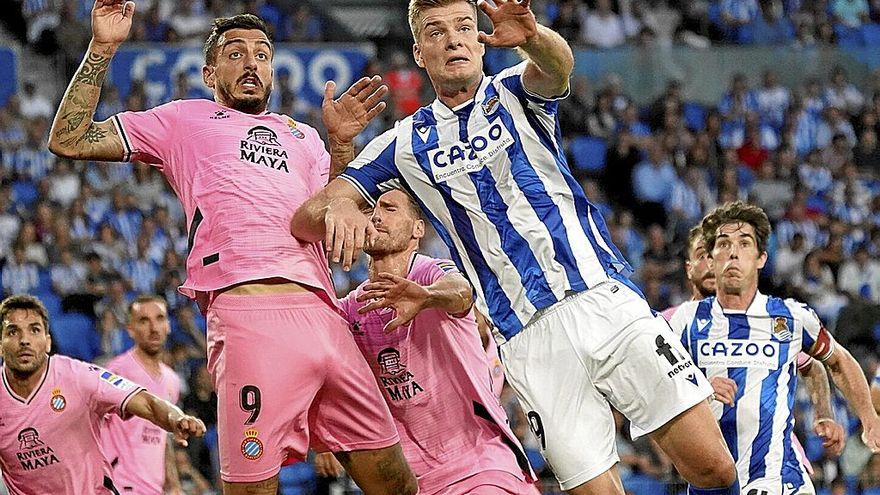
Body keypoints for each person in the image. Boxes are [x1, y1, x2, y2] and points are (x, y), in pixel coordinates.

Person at [291, 0, 738, 493]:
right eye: (437, 32)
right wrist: (344, 187)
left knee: (714, 469)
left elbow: (557, 65)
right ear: (420, 52)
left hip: (601, 299)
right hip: (526, 340)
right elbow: (309, 217)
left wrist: (533, 35)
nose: (455, 39)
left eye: (465, 27)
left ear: (480, 40)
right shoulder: (401, 144)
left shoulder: (514, 93)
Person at [47, 2, 416, 494]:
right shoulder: (182, 120)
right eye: (235, 53)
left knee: (398, 485)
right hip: (250, 315)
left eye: (262, 54)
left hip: (325, 318)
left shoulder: (303, 136)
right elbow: (70, 138)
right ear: (208, 72)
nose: (251, 63)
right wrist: (103, 46)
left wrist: (342, 146)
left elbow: (328, 223)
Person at [318, 189, 539, 494]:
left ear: (418, 229)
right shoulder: (349, 310)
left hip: (481, 467)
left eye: (390, 208)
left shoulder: (430, 273)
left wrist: (426, 297)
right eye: (369, 211)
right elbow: (322, 369)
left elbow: (461, 291)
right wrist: (326, 440)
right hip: (410, 482)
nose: (377, 216)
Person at [667, 202, 880, 494]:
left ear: (761, 258)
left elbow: (836, 360)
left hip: (777, 478)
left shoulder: (791, 317)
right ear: (712, 259)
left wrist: (868, 418)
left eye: (744, 244)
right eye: (723, 244)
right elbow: (651, 383)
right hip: (711, 480)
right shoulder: (683, 321)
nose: (733, 252)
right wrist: (698, 386)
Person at [662, 226, 846, 471]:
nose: (711, 263)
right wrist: (699, 385)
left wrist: (824, 414)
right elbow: (649, 384)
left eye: (715, 254)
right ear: (689, 268)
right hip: (714, 461)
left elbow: (812, 368)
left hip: (777, 461)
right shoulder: (668, 324)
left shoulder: (764, 318)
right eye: (702, 256)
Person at [0, 294, 205, 494]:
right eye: (12, 332)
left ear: (48, 342)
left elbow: (149, 405)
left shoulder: (80, 376)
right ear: (0, 345)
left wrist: (175, 418)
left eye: (34, 330)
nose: (24, 340)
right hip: (126, 481)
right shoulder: (119, 366)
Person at [100, 295, 183, 494]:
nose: (153, 328)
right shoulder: (117, 372)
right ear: (130, 329)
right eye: (144, 321)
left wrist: (173, 483)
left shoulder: (172, 379)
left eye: (160, 318)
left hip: (154, 488)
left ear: (168, 326)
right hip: (120, 485)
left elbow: (164, 438)